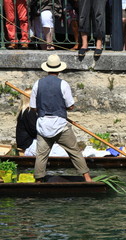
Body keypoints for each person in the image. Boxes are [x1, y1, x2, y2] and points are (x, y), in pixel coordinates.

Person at [29, 54, 92, 182]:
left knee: (41, 155)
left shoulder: (37, 84)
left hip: (43, 125)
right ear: (59, 69)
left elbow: (34, 107)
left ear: (47, 69)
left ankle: (38, 181)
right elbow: (70, 105)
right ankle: (87, 178)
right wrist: (66, 108)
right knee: (74, 151)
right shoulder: (63, 84)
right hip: (60, 125)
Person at [16, 89, 69, 157]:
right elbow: (34, 131)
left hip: (31, 143)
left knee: (60, 148)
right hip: (29, 145)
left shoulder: (27, 112)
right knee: (63, 152)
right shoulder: (29, 112)